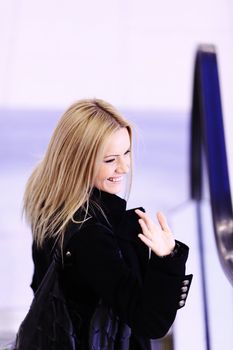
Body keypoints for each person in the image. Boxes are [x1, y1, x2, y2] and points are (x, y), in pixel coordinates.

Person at [23, 98, 192, 350]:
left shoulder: (51, 201)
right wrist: (167, 257)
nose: (124, 167)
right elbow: (151, 323)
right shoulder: (91, 235)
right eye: (110, 160)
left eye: (126, 153)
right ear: (76, 161)